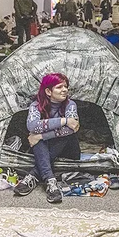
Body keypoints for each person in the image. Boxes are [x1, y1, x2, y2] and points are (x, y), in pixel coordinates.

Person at [14, 73, 80, 204]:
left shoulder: (70, 105)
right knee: (37, 140)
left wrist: (41, 135)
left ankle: (33, 175)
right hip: (44, 148)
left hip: (68, 149)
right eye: (59, 87)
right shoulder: (36, 106)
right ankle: (51, 181)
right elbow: (32, 126)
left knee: (57, 136)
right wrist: (64, 120)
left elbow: (72, 128)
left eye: (66, 86)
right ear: (48, 91)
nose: (65, 90)